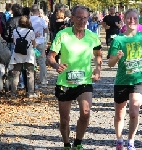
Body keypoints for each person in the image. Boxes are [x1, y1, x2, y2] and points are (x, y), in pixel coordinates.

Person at [47, 5, 102, 150]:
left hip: (84, 81)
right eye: (79, 17)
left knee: (85, 113)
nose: (82, 21)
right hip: (65, 82)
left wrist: (98, 69)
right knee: (64, 120)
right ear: (72, 18)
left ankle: (78, 142)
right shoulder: (62, 35)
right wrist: (55, 66)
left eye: (85, 18)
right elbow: (50, 57)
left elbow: (98, 55)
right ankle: (66, 144)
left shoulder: (92, 36)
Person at [108, 8, 142, 150]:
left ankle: (131, 141)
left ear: (138, 20)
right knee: (119, 114)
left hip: (139, 79)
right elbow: (111, 64)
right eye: (129, 18)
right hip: (122, 81)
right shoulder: (118, 39)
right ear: (124, 20)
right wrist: (117, 57)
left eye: (135, 18)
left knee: (134, 111)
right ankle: (119, 140)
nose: (132, 21)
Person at [9, 16, 38, 98]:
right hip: (28, 54)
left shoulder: (15, 31)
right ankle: (30, 93)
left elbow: (14, 42)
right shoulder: (31, 32)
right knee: (30, 74)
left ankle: (13, 93)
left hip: (17, 54)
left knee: (16, 74)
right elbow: (34, 44)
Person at [30, 6, 48, 87]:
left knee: (31, 62)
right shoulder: (41, 20)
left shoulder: (28, 20)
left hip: (31, 43)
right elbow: (46, 29)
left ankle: (31, 81)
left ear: (31, 11)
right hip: (40, 42)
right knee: (42, 62)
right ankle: (43, 80)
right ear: (38, 12)